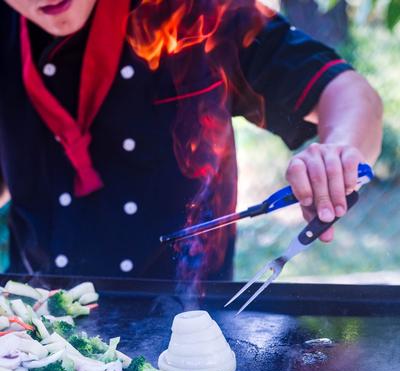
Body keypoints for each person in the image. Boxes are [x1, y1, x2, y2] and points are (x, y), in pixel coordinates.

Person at [0, 0, 382, 280]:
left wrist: (337, 152)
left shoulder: (196, 11)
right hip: (36, 318)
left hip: (185, 322)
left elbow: (347, 91)